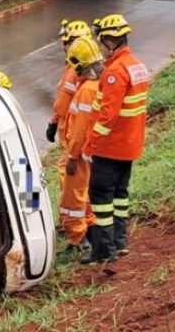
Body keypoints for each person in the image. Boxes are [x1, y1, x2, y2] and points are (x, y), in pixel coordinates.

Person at [81, 14, 149, 264]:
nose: (100, 47)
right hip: (130, 145)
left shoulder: (115, 73)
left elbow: (107, 116)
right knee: (120, 194)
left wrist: (90, 146)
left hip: (110, 147)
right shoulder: (136, 66)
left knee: (100, 198)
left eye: (102, 42)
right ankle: (120, 242)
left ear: (111, 42)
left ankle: (103, 250)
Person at [60, 36, 104, 256]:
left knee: (72, 199)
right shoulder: (98, 85)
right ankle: (89, 231)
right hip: (92, 153)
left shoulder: (87, 90)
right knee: (85, 196)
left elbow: (80, 129)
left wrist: (72, 156)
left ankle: (77, 240)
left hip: (80, 154)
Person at [46, 20, 91, 196]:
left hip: (73, 132)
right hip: (73, 130)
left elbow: (64, 101)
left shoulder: (75, 71)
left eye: (68, 43)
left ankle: (75, 218)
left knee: (69, 174)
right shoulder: (76, 68)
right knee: (83, 176)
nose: (65, 47)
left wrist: (55, 120)